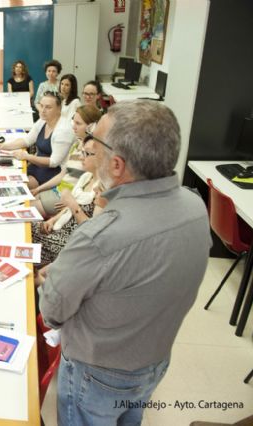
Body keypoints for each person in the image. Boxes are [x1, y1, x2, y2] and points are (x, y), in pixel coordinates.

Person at [38, 100, 211, 425]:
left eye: (96, 143)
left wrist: (58, 277)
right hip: (154, 359)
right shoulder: (195, 206)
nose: (88, 148)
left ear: (117, 165)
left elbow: (51, 312)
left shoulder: (99, 236)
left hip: (96, 372)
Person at [31, 137, 103, 268]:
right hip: (60, 228)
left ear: (102, 157)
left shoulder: (102, 189)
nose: (81, 157)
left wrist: (72, 204)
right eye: (82, 152)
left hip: (71, 242)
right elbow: (68, 209)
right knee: (26, 225)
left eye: (87, 154)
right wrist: (53, 220)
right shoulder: (86, 177)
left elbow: (93, 230)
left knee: (28, 233)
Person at [30, 104, 102, 218]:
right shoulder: (76, 145)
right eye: (74, 122)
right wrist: (38, 189)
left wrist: (70, 203)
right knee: (25, 200)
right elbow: (62, 174)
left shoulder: (93, 153)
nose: (74, 127)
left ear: (92, 127)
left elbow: (87, 187)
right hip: (58, 191)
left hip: (66, 198)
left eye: (78, 124)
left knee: (28, 208)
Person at [0, 91, 75, 190]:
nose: (43, 110)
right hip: (37, 164)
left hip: (53, 172)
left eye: (48, 107)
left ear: (59, 109)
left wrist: (27, 157)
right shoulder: (43, 120)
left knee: (17, 187)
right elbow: (27, 140)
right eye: (41, 106)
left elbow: (54, 162)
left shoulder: (63, 130)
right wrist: (6, 146)